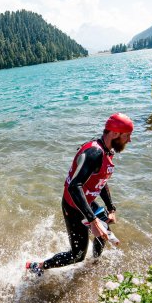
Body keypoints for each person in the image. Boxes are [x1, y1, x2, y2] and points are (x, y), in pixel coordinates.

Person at [26, 113, 134, 276]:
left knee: (103, 232)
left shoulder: (107, 151)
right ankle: (37, 266)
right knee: (77, 255)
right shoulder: (94, 153)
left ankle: (95, 265)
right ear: (114, 133)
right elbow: (74, 186)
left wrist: (111, 208)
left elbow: (101, 180)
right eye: (127, 136)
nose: (129, 140)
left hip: (87, 201)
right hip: (74, 206)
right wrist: (92, 220)